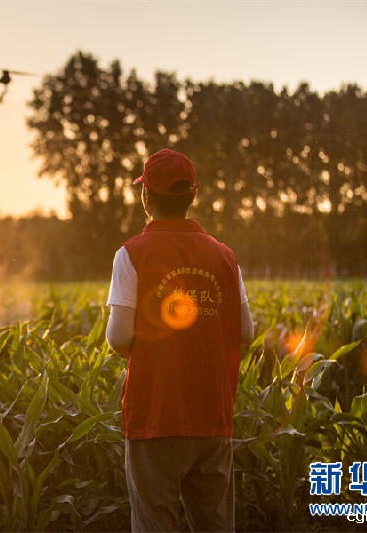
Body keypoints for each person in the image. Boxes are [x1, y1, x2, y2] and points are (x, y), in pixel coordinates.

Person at [105, 148, 254, 532]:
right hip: (212, 418)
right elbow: (246, 333)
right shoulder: (225, 256)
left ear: (146, 196)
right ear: (193, 195)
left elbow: (119, 336)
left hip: (155, 416)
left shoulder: (132, 254)